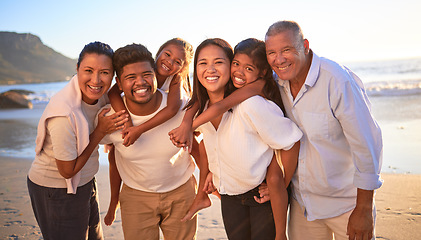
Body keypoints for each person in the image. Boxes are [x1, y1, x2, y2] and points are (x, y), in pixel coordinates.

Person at [265, 20, 383, 240]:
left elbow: (367, 144)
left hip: (347, 205)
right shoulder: (277, 82)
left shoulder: (337, 80)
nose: (278, 59)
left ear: (305, 45)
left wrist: (364, 208)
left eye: (286, 50)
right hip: (303, 206)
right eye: (271, 52)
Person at [180, 38, 302, 240]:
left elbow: (291, 139)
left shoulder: (251, 104)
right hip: (229, 196)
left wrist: (280, 183)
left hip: (260, 194)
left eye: (219, 62)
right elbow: (207, 144)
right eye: (203, 63)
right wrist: (212, 170)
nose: (210, 69)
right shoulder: (201, 108)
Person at [27, 41, 128, 240]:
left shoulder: (103, 95)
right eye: (88, 70)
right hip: (56, 188)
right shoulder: (64, 114)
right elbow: (67, 170)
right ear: (77, 69)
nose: (96, 80)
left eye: (105, 72)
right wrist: (100, 132)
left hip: (85, 181)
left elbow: (133, 84)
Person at [99, 43, 197, 240]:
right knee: (115, 153)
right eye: (131, 78)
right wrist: (124, 118)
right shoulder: (112, 118)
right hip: (136, 195)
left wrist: (205, 186)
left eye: (178, 62)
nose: (170, 63)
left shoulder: (177, 96)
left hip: (181, 191)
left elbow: (200, 138)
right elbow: (113, 160)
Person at [108, 38, 194, 146]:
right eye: (167, 54)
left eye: (177, 62)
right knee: (114, 146)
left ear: (182, 69)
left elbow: (172, 108)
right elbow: (112, 93)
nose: (169, 62)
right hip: (137, 108)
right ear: (158, 53)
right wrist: (127, 121)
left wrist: (139, 129)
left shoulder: (175, 79)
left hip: (153, 113)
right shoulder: (144, 67)